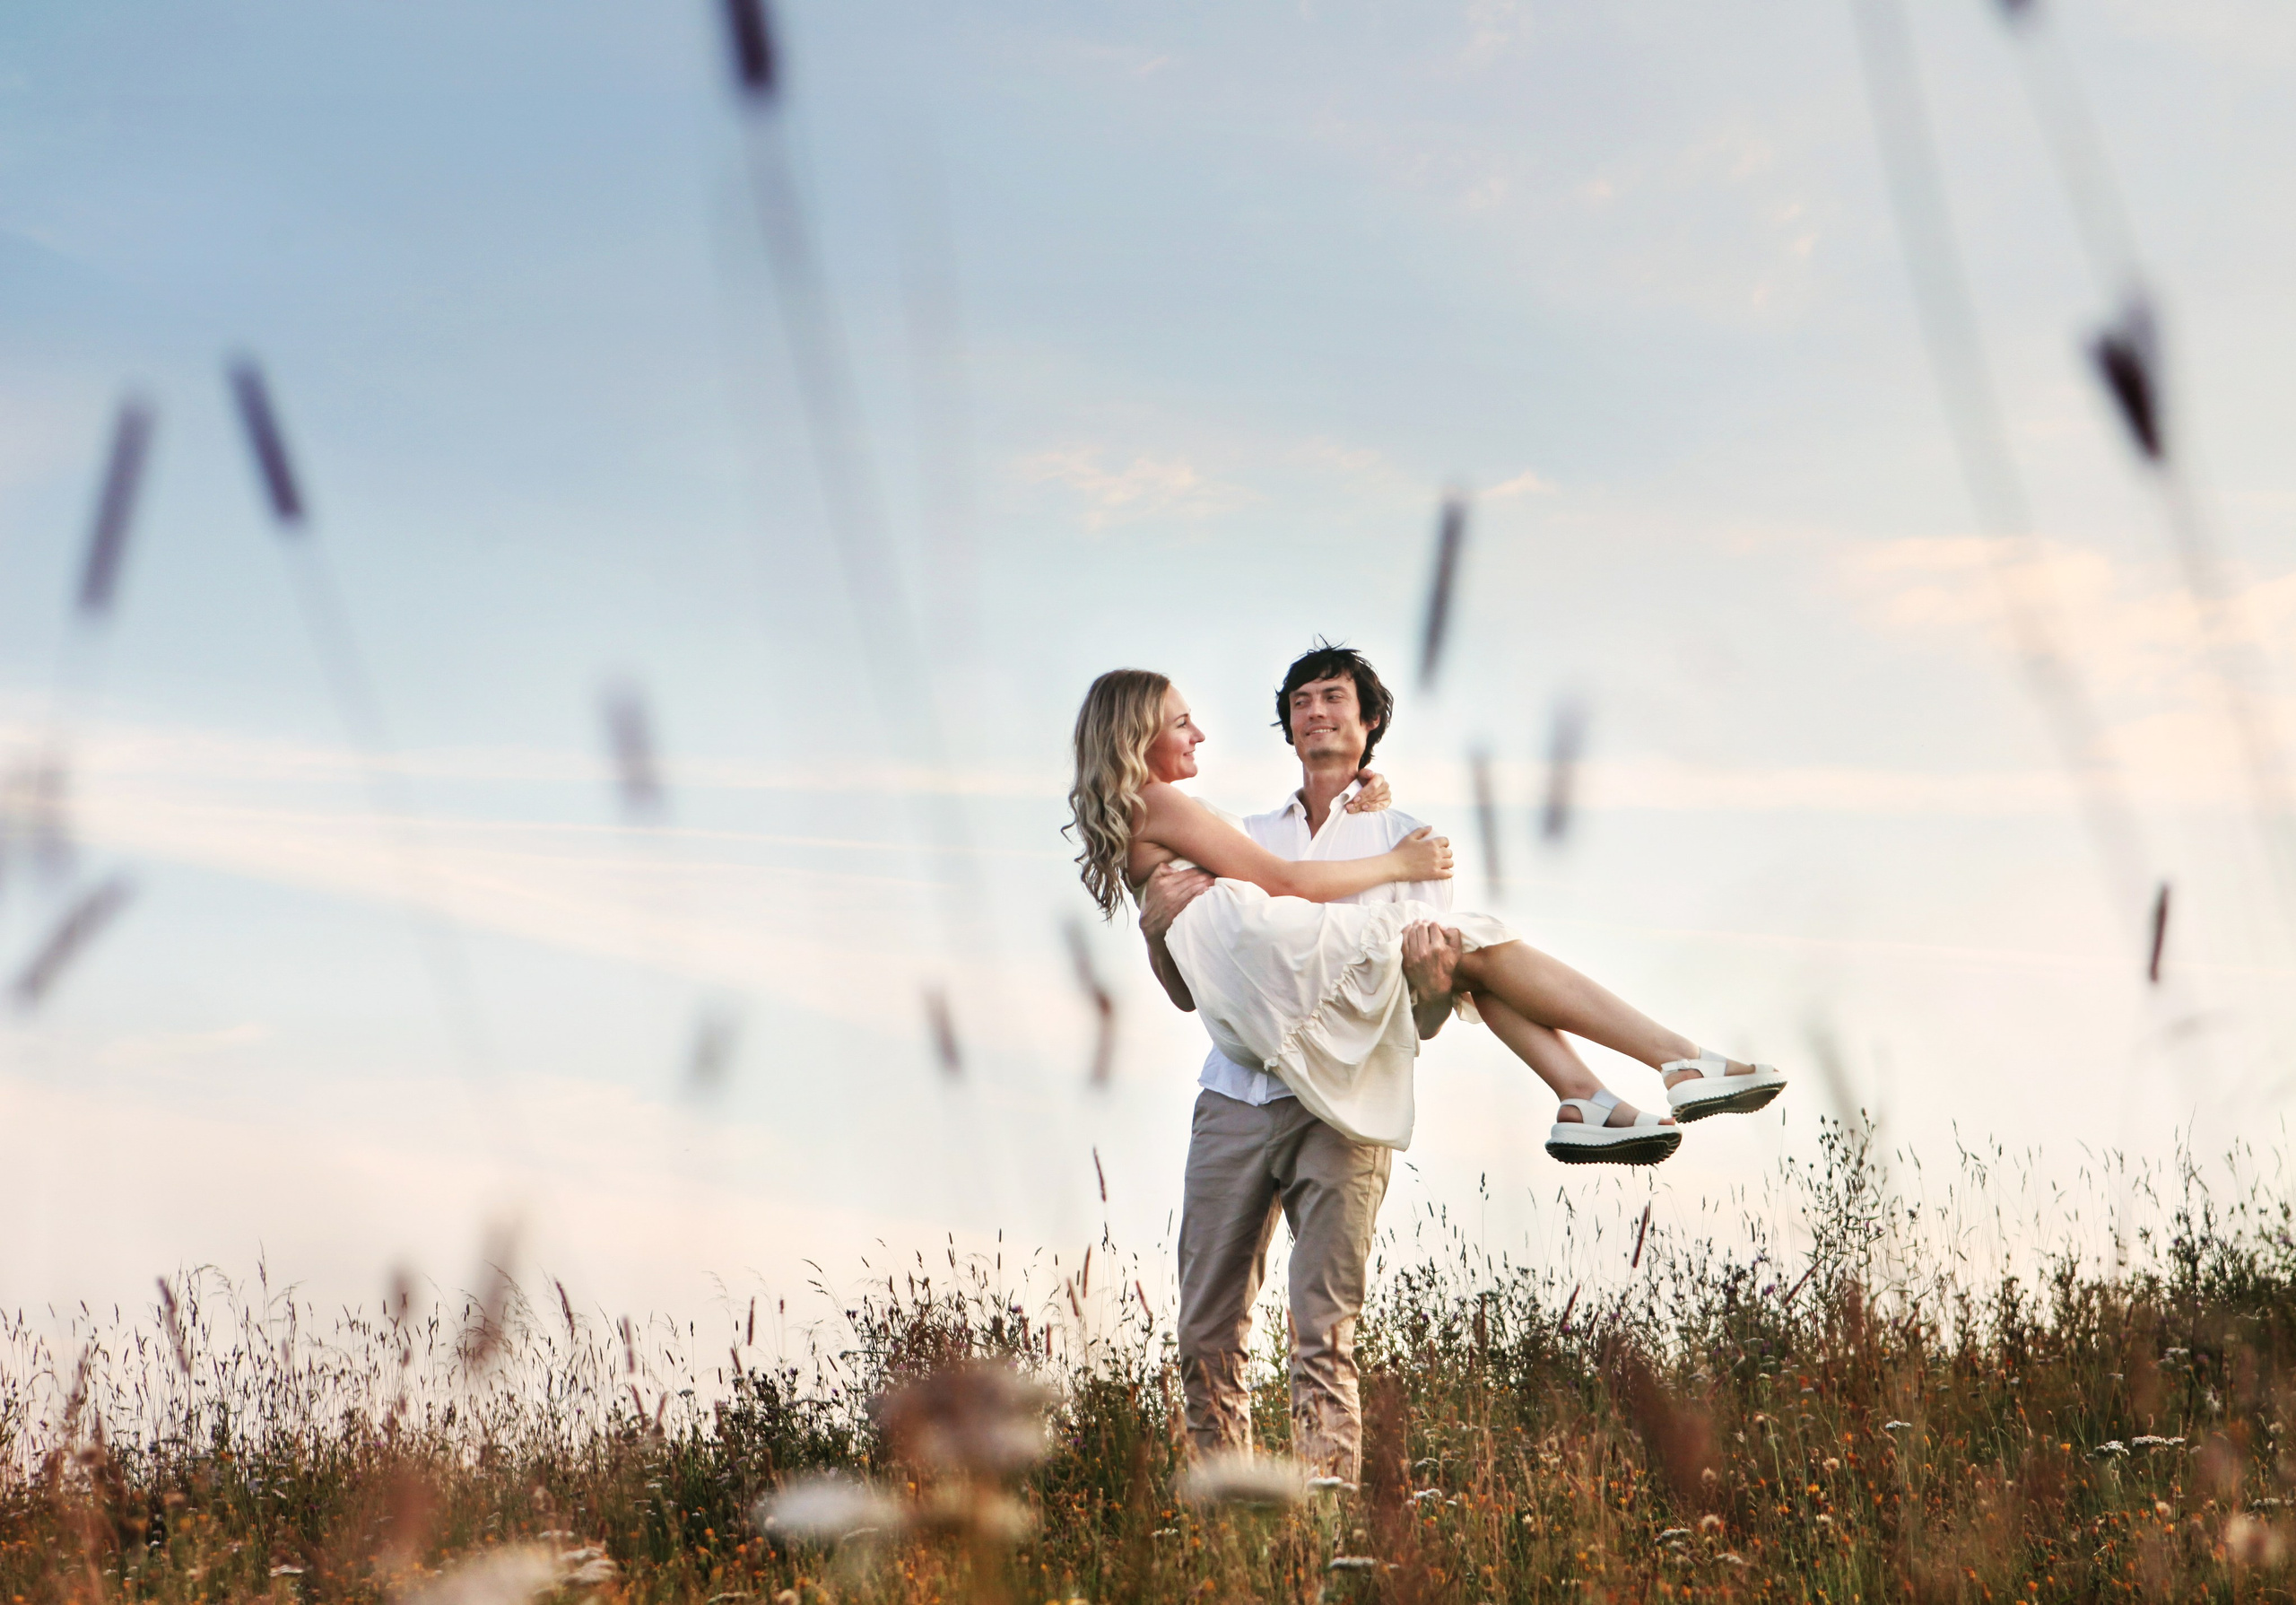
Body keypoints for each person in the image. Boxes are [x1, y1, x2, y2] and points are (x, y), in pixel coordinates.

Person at [1065, 648, 1784, 1479]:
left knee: (1322, 1327)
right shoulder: (1243, 829)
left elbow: (1429, 1013)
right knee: (1206, 1331)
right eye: (1300, 700)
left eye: (1334, 697)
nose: (1315, 711)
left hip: (1344, 1089)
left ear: (1369, 721)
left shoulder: (1408, 837)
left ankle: (1325, 1513)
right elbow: (1198, 985)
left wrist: (1431, 976)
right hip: (1240, 1089)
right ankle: (1231, 1513)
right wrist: (1159, 929)